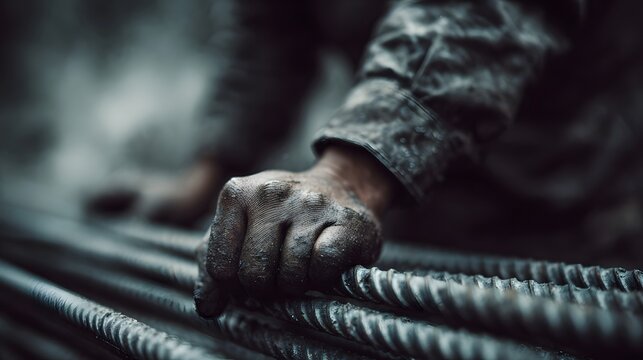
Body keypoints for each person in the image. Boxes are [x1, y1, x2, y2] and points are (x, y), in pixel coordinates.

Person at [90, 0, 643, 318]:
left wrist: (353, 172)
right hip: (420, 213)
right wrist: (206, 177)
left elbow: (480, 10)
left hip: (579, 208)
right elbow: (270, 25)